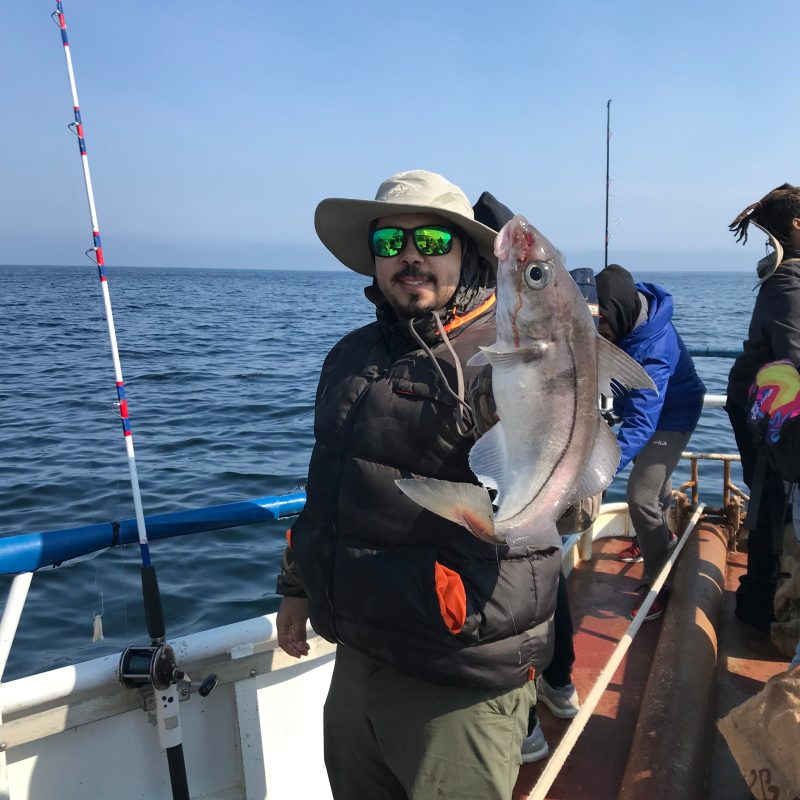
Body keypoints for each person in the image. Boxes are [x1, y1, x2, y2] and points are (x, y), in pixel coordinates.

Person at [275, 170, 561, 800]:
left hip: (457, 675)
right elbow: (325, 487)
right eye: (391, 243)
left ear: (465, 251)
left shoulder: (503, 357)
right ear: (373, 259)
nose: (411, 256)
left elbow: (573, 502)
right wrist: (295, 585)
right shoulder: (349, 355)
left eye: (432, 240)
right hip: (357, 654)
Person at [472, 191, 581, 764]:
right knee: (544, 588)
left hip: (540, 493)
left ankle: (533, 717)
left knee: (529, 602)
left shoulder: (493, 336)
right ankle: (551, 696)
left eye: (535, 274)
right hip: (542, 491)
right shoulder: (516, 333)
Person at [595, 264, 706, 620]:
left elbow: (644, 423)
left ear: (624, 316)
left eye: (604, 326)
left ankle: (661, 580)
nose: (600, 333)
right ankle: (655, 539)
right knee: (654, 487)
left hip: (673, 418)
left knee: (641, 497)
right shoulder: (626, 317)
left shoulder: (654, 349)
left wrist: (601, 471)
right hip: (644, 410)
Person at [726, 183, 800, 633]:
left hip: (767, 407)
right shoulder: (789, 282)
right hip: (765, 415)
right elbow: (795, 354)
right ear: (795, 224)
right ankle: (757, 605)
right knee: (771, 503)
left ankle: (760, 597)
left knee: (773, 502)